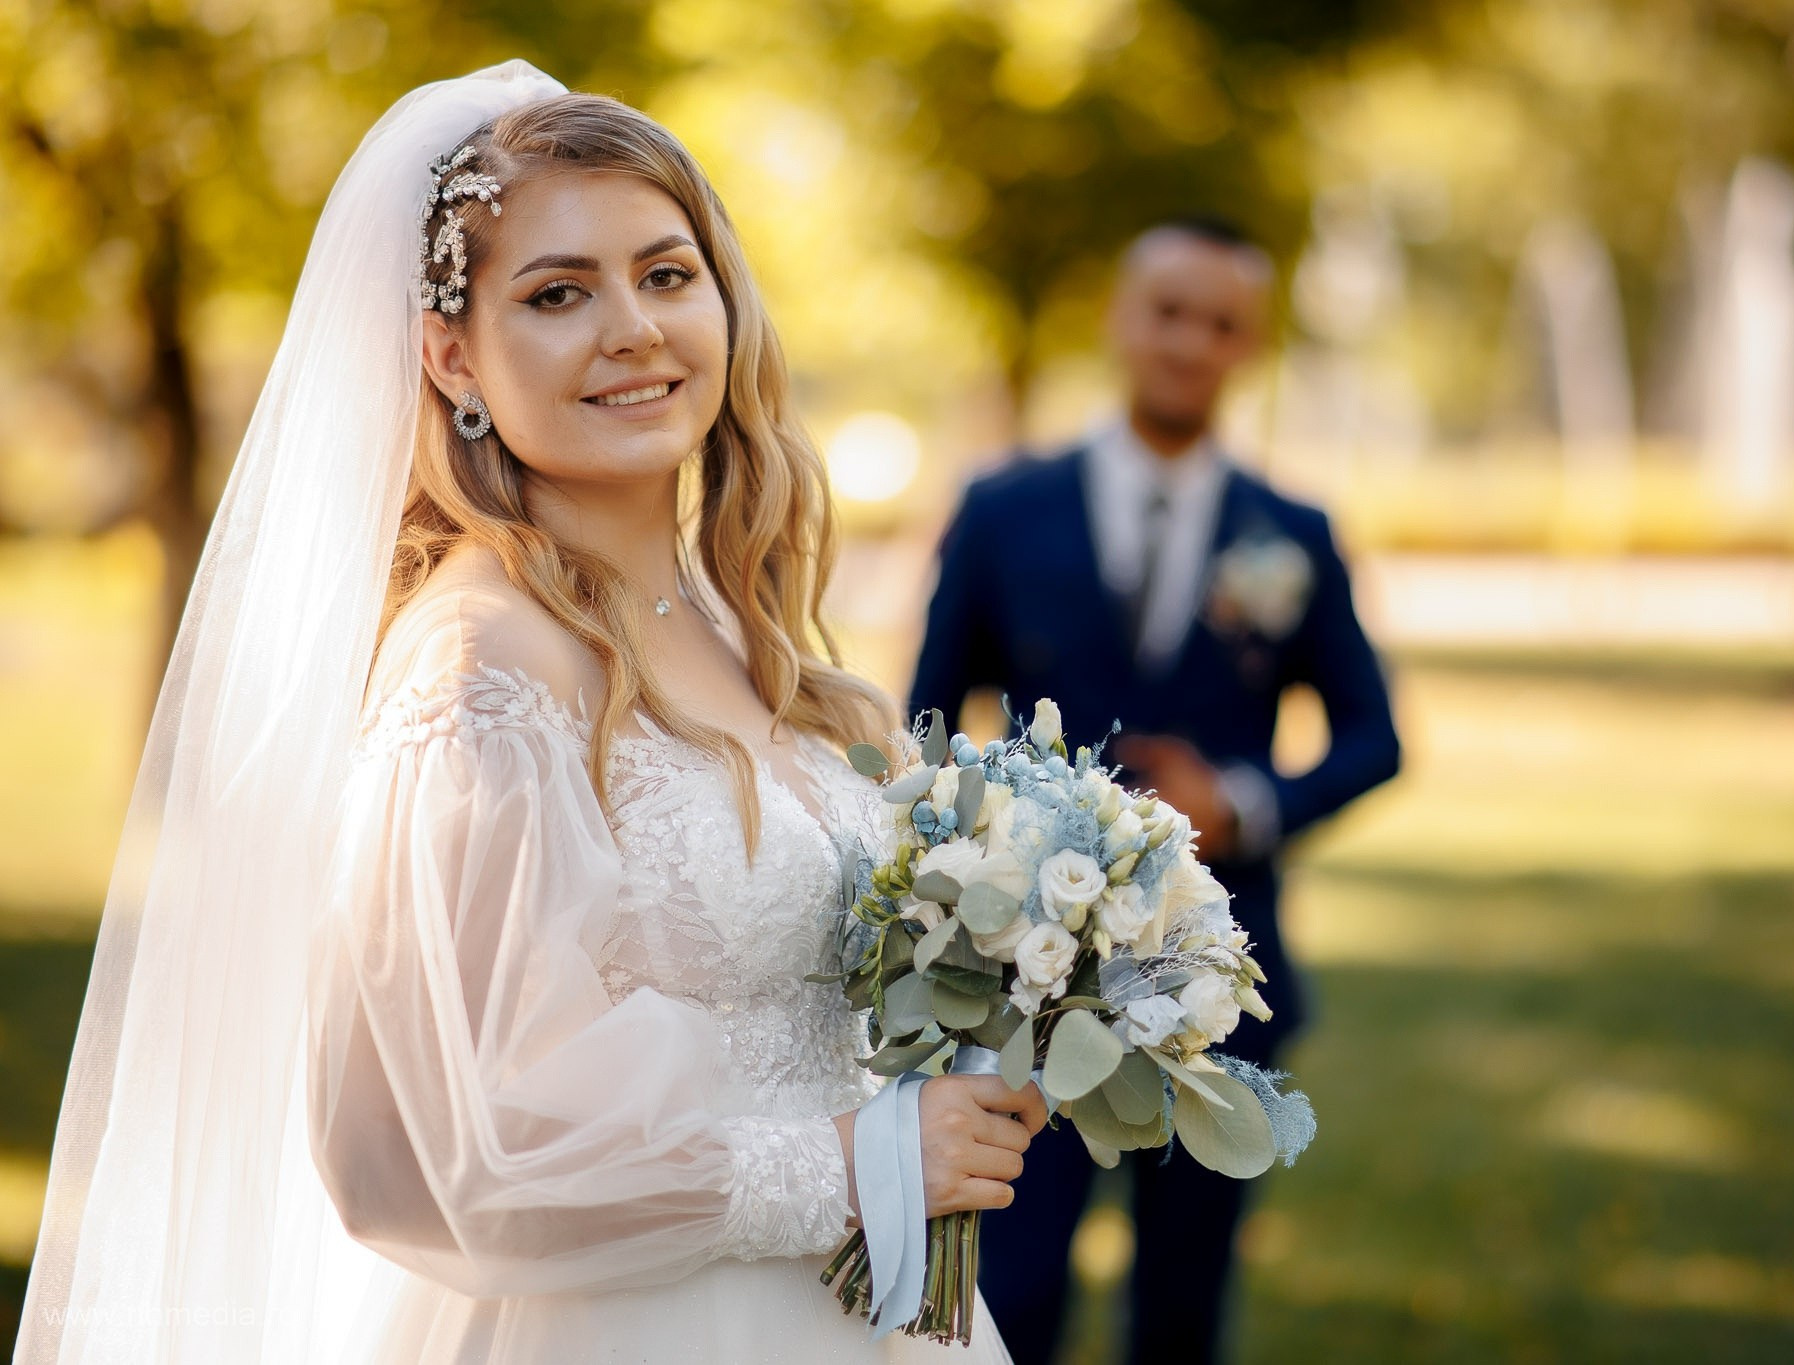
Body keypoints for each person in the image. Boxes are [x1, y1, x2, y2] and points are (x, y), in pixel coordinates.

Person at [19, 63, 1045, 1364]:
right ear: (450, 352)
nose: (633, 329)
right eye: (557, 293)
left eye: (666, 274)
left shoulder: (739, 628)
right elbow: (404, 1162)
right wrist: (840, 1165)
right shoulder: (480, 668)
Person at [909, 218, 1402, 1365]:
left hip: (1215, 981)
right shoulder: (1001, 508)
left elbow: (1373, 738)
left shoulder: (1293, 531)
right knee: (1012, 1290)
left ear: (1250, 346)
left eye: (1220, 324)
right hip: (1025, 978)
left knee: (1183, 1303)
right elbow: (925, 719)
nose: (1189, 343)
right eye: (1168, 312)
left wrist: (1244, 802)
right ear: (1120, 322)